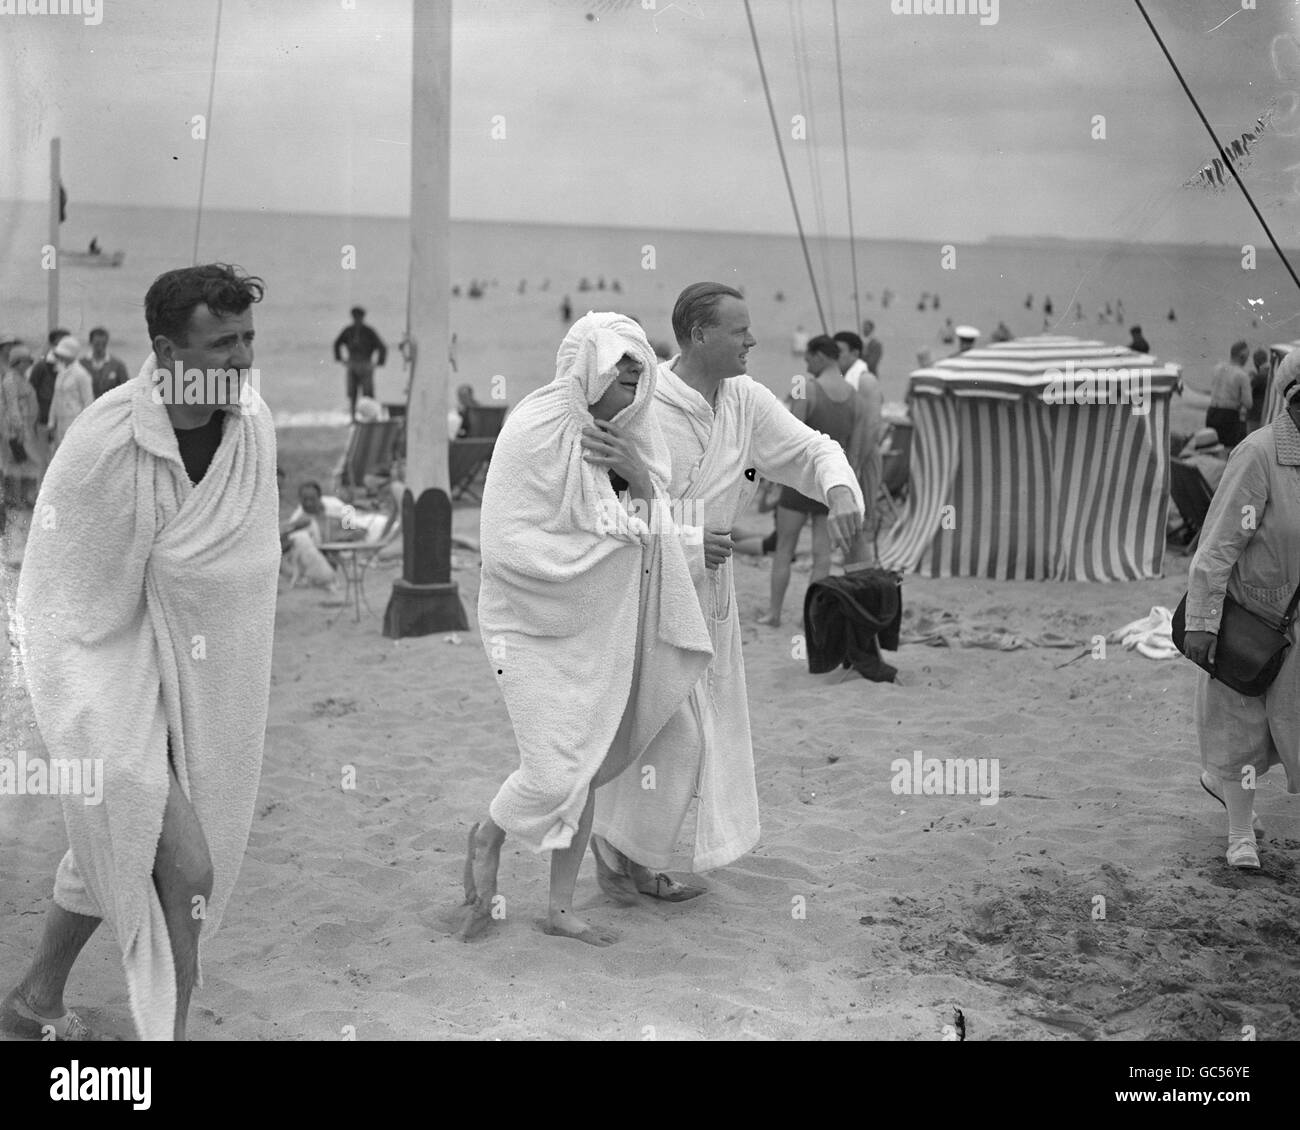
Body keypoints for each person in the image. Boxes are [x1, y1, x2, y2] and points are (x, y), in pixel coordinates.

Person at [1, 263, 279, 1041]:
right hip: (105, 680)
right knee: (185, 869)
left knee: (118, 846)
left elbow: (245, 568)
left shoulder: (251, 428)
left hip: (207, 680)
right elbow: (56, 605)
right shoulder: (104, 445)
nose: (241, 358)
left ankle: (33, 1002)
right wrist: (103, 718)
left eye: (248, 339)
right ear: (166, 349)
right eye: (222, 343)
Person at [588, 282, 864, 900]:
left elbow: (808, 449)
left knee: (689, 730)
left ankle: (629, 856)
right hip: (648, 587)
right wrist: (689, 537)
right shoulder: (644, 402)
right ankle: (620, 854)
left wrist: (840, 489)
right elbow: (607, 501)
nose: (752, 340)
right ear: (696, 335)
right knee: (664, 727)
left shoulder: (745, 401)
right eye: (739, 331)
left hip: (711, 593)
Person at [460, 312, 712, 944]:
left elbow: (652, 527)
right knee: (552, 767)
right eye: (619, 374)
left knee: (589, 755)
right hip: (526, 622)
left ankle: (559, 907)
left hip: (602, 622)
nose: (632, 387)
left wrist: (637, 470)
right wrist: (585, 562)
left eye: (638, 375)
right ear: (587, 369)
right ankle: (489, 834)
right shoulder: (533, 425)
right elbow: (506, 539)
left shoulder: (638, 434)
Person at [1183, 371, 1300, 870]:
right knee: (1241, 727)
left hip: (1296, 621)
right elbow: (1216, 545)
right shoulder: (1257, 454)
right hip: (1249, 617)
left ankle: (1223, 787)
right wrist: (1202, 621)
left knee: (1290, 725)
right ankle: (1239, 834)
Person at [758, 335, 863, 626]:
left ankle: (774, 614)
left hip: (799, 480)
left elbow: (792, 435)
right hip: (829, 485)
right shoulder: (854, 394)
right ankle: (812, 618)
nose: (806, 363)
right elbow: (852, 449)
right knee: (822, 555)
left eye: (808, 357)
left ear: (820, 356)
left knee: (784, 548)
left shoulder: (805, 386)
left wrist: (773, 479)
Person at [0, 344, 49, 519]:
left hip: (25, 429)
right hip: (17, 431)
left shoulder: (20, 378)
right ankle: (18, 498)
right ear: (18, 362)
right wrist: (18, 430)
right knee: (21, 464)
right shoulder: (11, 381)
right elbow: (12, 407)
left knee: (25, 464)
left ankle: (22, 497)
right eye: (26, 361)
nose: (29, 364)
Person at [333, 306, 387, 422]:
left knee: (368, 393)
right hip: (352, 363)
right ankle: (353, 417)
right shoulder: (349, 331)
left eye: (359, 317)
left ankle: (370, 417)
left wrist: (379, 362)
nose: (357, 319)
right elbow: (337, 343)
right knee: (352, 392)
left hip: (365, 363)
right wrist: (340, 358)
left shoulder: (368, 331)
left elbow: (382, 347)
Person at [47, 336, 93, 453]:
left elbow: (88, 402)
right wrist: (51, 422)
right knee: (59, 453)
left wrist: (84, 427)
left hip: (75, 422)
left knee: (73, 454)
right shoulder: (60, 372)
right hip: (60, 422)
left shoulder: (82, 375)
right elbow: (55, 398)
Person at [1206, 340, 1252, 449]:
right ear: (1242, 356)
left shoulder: (1217, 368)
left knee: (1211, 448)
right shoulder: (1242, 375)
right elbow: (1248, 403)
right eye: (1247, 356)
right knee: (1229, 450)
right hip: (1228, 415)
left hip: (1212, 412)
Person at [27, 329, 68, 429]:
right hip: (44, 416)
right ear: (52, 344)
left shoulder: (70, 366)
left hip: (65, 416)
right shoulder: (41, 366)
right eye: (58, 343)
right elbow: (32, 389)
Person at [82, 327, 130, 399]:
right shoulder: (82, 364)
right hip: (88, 406)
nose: (100, 347)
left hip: (110, 406)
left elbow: (126, 388)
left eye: (103, 344)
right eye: (97, 344)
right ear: (90, 342)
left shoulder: (117, 365)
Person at [1248, 348, 1270, 431]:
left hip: (1255, 417)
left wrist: (1250, 377)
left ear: (1255, 362)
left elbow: (1247, 392)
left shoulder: (1257, 378)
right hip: (1267, 414)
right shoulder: (1271, 373)